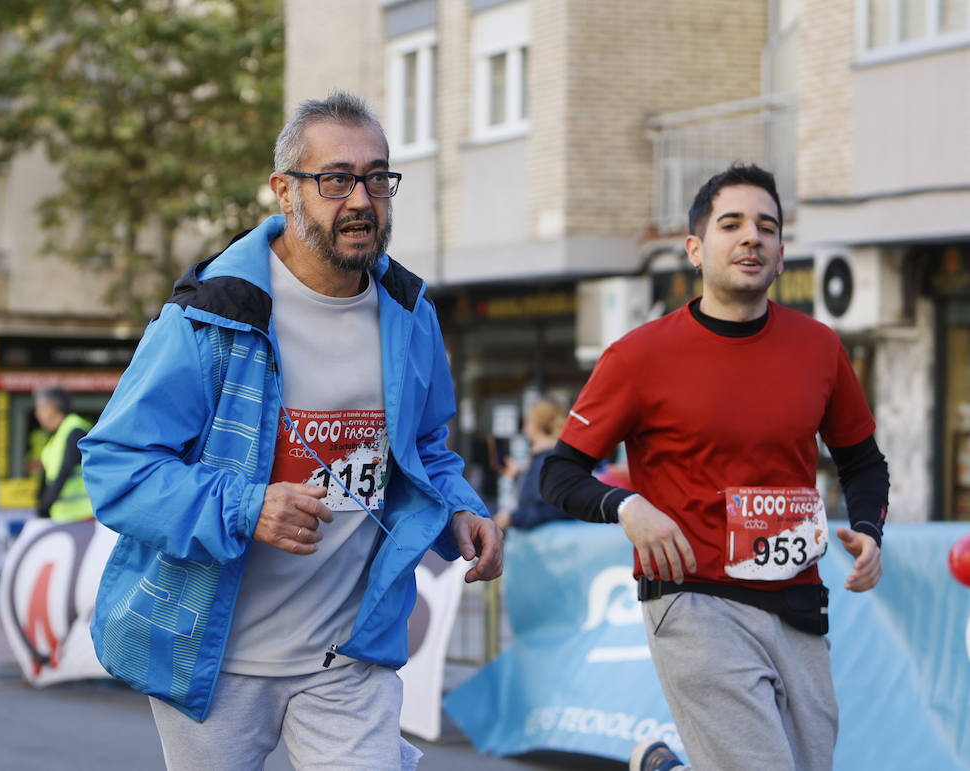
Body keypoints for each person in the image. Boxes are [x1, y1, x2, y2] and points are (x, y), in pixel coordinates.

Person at [79, 92, 503, 770]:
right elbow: (116, 468)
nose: (361, 199)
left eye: (376, 178)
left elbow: (424, 446)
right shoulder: (212, 317)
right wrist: (249, 506)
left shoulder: (409, 311)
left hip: (346, 653)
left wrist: (460, 507)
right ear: (285, 190)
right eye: (335, 179)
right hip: (214, 658)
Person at [540, 164, 889, 771]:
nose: (752, 237)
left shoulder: (819, 348)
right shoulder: (639, 356)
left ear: (782, 255)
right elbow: (559, 475)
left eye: (767, 227)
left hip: (798, 598)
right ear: (696, 250)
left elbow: (862, 462)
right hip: (693, 597)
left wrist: (870, 530)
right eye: (732, 225)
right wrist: (627, 507)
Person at [497, 399, 572, 531]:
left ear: (535, 425)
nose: (525, 427)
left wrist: (512, 518)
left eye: (527, 421)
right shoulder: (550, 457)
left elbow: (551, 510)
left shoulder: (546, 460)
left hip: (547, 544)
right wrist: (517, 476)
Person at [32, 386, 93, 522]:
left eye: (39, 409)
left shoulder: (75, 431)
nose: (37, 414)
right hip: (64, 518)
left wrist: (43, 509)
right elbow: (48, 478)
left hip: (83, 518)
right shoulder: (56, 436)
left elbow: (64, 471)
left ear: (51, 408)